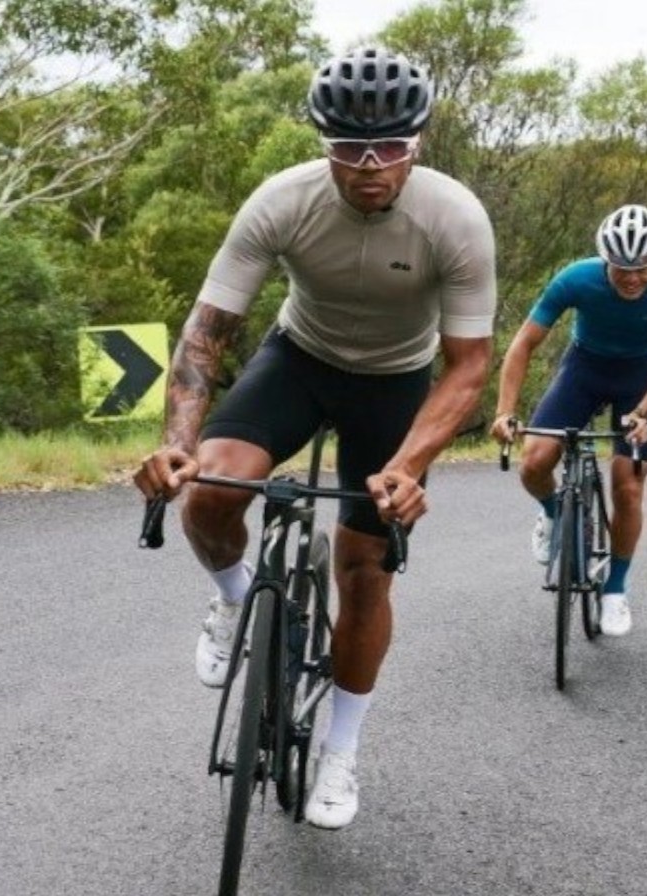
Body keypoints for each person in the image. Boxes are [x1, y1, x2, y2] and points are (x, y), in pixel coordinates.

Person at [131, 46, 497, 832]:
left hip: (396, 380)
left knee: (363, 568)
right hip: (299, 357)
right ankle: (232, 603)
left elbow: (468, 368)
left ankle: (340, 751)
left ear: (419, 141)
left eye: (391, 147)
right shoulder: (280, 200)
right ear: (322, 141)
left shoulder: (454, 216)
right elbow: (205, 335)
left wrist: (406, 466)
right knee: (214, 488)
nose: (371, 166)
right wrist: (176, 442)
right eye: (349, 148)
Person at [489, 204, 647, 637]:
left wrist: (644, 412)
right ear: (605, 260)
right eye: (621, 268)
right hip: (583, 369)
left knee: (627, 486)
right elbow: (523, 344)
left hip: (641, 379)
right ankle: (552, 513)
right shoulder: (576, 278)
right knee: (534, 462)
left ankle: (616, 590)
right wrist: (505, 410)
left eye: (642, 269)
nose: (631, 278)